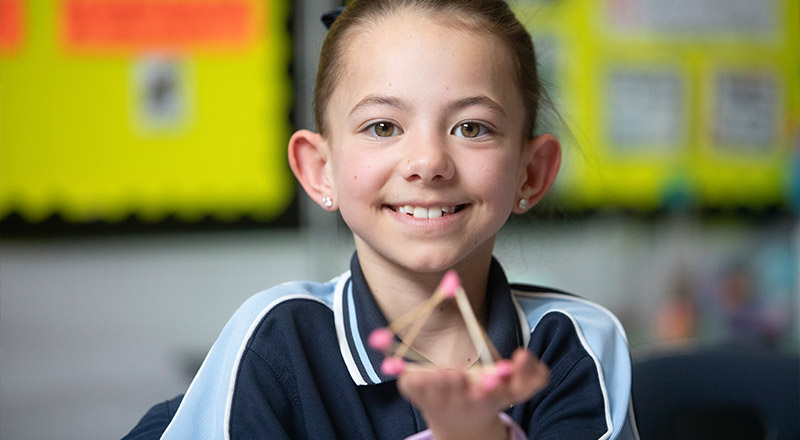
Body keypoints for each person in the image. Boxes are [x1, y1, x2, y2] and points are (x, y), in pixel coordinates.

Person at [123, 1, 638, 439]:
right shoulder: (275, 341)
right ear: (320, 170)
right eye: (383, 126)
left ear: (532, 172)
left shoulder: (573, 345)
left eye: (472, 127)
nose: (428, 162)